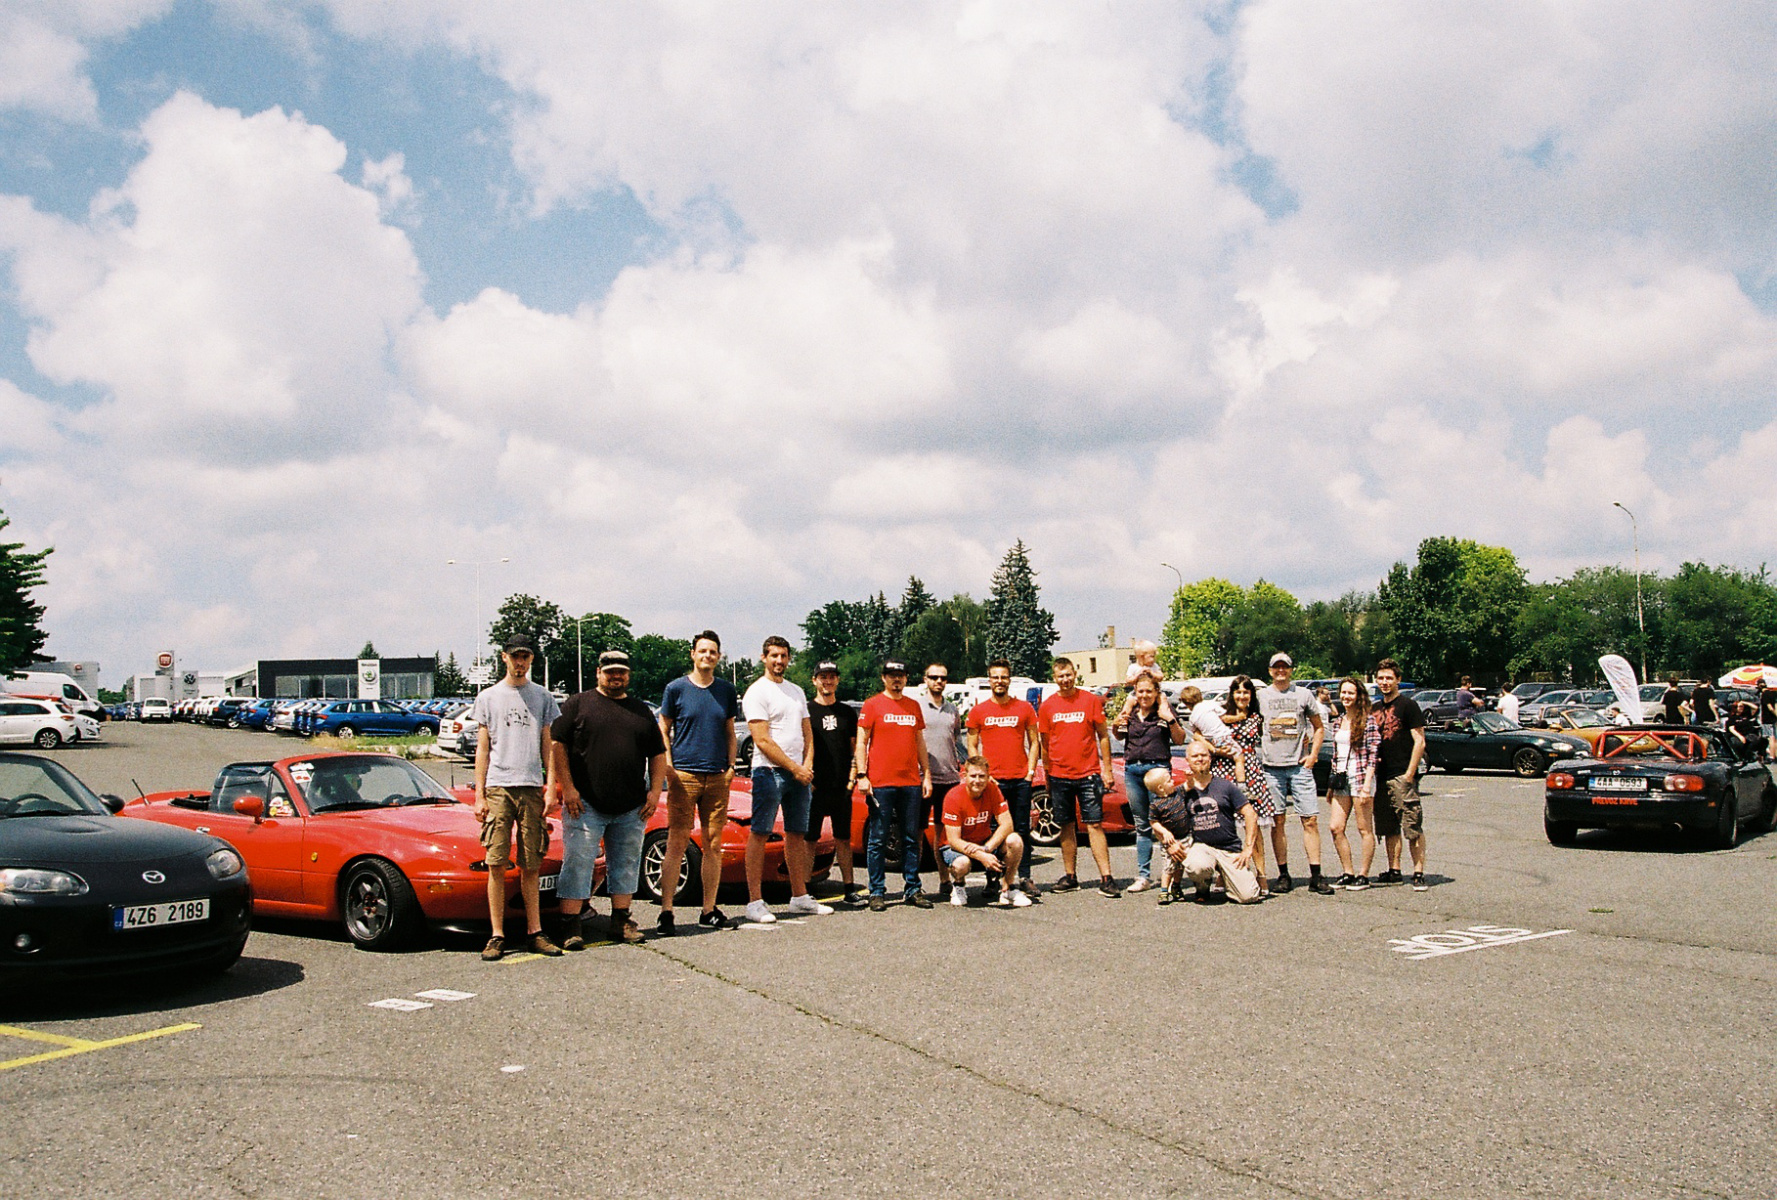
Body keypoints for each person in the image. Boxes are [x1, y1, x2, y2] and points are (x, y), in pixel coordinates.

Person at [551, 649, 668, 950]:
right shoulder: (578, 704)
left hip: (631, 806)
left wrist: (655, 792)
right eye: (610, 671)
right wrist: (567, 788)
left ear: (628, 675)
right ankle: (570, 924)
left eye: (621, 672)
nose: (616, 676)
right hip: (585, 804)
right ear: (598, 673)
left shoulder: (641, 711)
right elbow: (557, 745)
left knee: (626, 864)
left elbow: (657, 754)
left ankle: (621, 920)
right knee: (578, 862)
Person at [470, 634, 564, 961]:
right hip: (498, 786)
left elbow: (548, 745)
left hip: (531, 786)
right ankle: (497, 935)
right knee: (496, 862)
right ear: (504, 658)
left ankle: (535, 932)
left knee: (531, 863)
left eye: (525, 657)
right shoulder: (488, 697)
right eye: (515, 657)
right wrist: (479, 795)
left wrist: (551, 786)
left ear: (531, 660)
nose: (519, 662)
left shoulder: (542, 697)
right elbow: (483, 749)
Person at [655, 630, 739, 934]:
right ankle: (666, 911)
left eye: (712, 652)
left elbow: (730, 732)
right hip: (684, 776)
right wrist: (669, 766)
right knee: (677, 842)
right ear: (693, 654)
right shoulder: (676, 689)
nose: (707, 656)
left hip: (717, 776)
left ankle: (709, 909)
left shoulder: (726, 690)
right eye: (702, 651)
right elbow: (663, 728)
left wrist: (731, 767)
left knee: (713, 844)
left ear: (718, 656)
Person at [741, 636, 829, 923]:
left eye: (783, 655)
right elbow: (762, 740)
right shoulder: (757, 692)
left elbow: (808, 733)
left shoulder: (796, 691)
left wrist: (807, 765)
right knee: (761, 833)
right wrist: (794, 768)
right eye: (774, 655)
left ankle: (799, 896)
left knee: (797, 834)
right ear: (764, 658)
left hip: (798, 774)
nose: (779, 661)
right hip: (769, 772)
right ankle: (755, 901)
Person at [1143, 741, 1261, 904]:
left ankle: (1227, 877)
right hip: (1199, 847)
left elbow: (1250, 814)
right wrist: (1169, 843)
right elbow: (1159, 821)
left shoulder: (1225, 786)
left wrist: (1248, 849)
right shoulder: (1179, 793)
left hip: (1229, 848)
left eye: (1204, 755)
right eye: (1195, 756)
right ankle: (1202, 885)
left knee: (1249, 896)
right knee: (1197, 866)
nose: (1200, 759)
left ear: (1210, 758)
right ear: (1187, 760)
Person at [856, 659, 933, 911]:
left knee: (911, 838)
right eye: (891, 675)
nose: (896, 679)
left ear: (906, 678)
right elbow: (861, 742)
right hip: (881, 783)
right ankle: (877, 891)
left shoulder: (913, 706)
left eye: (900, 675)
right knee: (878, 839)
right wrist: (862, 774)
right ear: (883, 678)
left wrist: (926, 774)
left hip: (910, 783)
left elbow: (919, 741)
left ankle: (913, 888)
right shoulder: (872, 705)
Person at [1038, 657, 1118, 897]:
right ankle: (1070, 876)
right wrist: (1048, 774)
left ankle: (1106, 877)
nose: (1065, 680)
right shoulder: (1047, 706)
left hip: (1088, 774)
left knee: (1094, 824)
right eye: (1060, 676)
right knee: (1066, 825)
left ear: (1075, 674)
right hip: (1059, 775)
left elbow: (1103, 736)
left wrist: (1107, 770)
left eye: (1068, 675)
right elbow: (1045, 745)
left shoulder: (1090, 700)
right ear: (1054, 678)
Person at [964, 659, 1041, 898]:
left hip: (1020, 780)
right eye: (995, 677)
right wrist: (984, 776)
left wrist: (1030, 772)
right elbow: (972, 745)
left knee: (1021, 830)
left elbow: (1034, 742)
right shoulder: (979, 711)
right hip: (993, 783)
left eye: (1004, 677)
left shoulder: (1024, 708)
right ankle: (993, 879)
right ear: (989, 680)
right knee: (993, 832)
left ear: (1009, 680)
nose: (999, 681)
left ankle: (1024, 877)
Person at [1257, 653, 1330, 895]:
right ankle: (1283, 874)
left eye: (1285, 667)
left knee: (1310, 819)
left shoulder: (1303, 695)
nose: (1281, 671)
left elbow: (1319, 727)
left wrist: (1313, 755)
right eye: (1276, 667)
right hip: (1271, 767)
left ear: (1291, 670)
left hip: (1299, 767)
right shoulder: (1261, 696)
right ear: (1270, 671)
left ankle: (1316, 875)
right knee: (1277, 821)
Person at [1110, 675, 1183, 891]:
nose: (1144, 695)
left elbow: (1179, 739)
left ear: (1156, 692)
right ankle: (1143, 876)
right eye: (1140, 691)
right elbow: (1119, 736)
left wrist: (1169, 719)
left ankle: (1171, 875)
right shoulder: (1130, 712)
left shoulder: (1163, 711)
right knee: (1142, 824)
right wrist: (1116, 724)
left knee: (1164, 822)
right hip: (1133, 769)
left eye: (1149, 691)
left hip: (1157, 769)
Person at [807, 660, 863, 905]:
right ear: (814, 680)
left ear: (837, 680)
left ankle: (849, 887)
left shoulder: (847, 712)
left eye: (832, 677)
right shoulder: (806, 711)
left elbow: (855, 748)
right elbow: (801, 747)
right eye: (823, 677)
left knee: (843, 838)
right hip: (815, 786)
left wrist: (852, 778)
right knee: (809, 839)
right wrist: (807, 778)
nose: (827, 681)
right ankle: (805, 888)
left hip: (841, 787)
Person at [939, 756, 1029, 907]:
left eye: (982, 776)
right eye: (973, 776)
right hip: (955, 848)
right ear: (965, 776)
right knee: (961, 864)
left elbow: (1007, 824)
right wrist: (981, 855)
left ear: (988, 777)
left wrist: (987, 848)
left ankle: (1008, 888)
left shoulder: (992, 790)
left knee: (1015, 840)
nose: (977, 781)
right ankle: (958, 886)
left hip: (983, 843)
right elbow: (954, 841)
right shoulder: (953, 796)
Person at [1373, 659, 1428, 891]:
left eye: (1389, 678)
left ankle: (1418, 872)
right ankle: (1394, 870)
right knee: (1388, 827)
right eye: (1381, 678)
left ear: (1398, 680)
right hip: (1381, 776)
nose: (1385, 682)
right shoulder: (1375, 708)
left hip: (1401, 773)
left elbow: (1419, 741)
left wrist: (1409, 774)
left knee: (1412, 825)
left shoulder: (1408, 706)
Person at [1212, 676, 1271, 894]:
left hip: (1250, 773)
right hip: (1222, 769)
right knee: (1223, 825)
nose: (1242, 696)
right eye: (1238, 692)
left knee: (1252, 824)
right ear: (1232, 694)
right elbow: (1200, 734)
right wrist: (1217, 750)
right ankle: (1222, 874)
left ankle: (1261, 874)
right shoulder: (1218, 716)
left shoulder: (1256, 717)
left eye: (1246, 692)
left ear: (1251, 695)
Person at [915, 662, 965, 898]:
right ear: (925, 679)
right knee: (917, 831)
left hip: (949, 779)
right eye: (934, 677)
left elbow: (956, 741)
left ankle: (945, 879)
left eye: (943, 678)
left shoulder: (953, 710)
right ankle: (913, 883)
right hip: (923, 779)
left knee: (944, 833)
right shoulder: (916, 707)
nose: (938, 681)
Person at [1325, 676, 1380, 889]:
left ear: (1359, 696)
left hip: (1360, 778)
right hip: (1341, 779)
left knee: (1364, 828)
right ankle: (1348, 871)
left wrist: (1367, 786)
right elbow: (1336, 755)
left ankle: (1363, 874)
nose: (1346, 696)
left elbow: (1373, 756)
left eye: (1350, 693)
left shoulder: (1368, 721)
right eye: (1343, 692)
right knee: (1335, 827)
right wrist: (1331, 786)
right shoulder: (1338, 721)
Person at [1123, 639, 1175, 721]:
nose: (1154, 659)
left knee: (1163, 698)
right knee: (1129, 702)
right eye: (1152, 656)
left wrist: (1152, 673)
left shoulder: (1154, 666)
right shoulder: (1133, 667)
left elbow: (1161, 677)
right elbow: (1128, 680)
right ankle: (1124, 719)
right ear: (1141, 657)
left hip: (1155, 692)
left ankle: (1164, 715)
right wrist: (1137, 675)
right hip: (1137, 693)